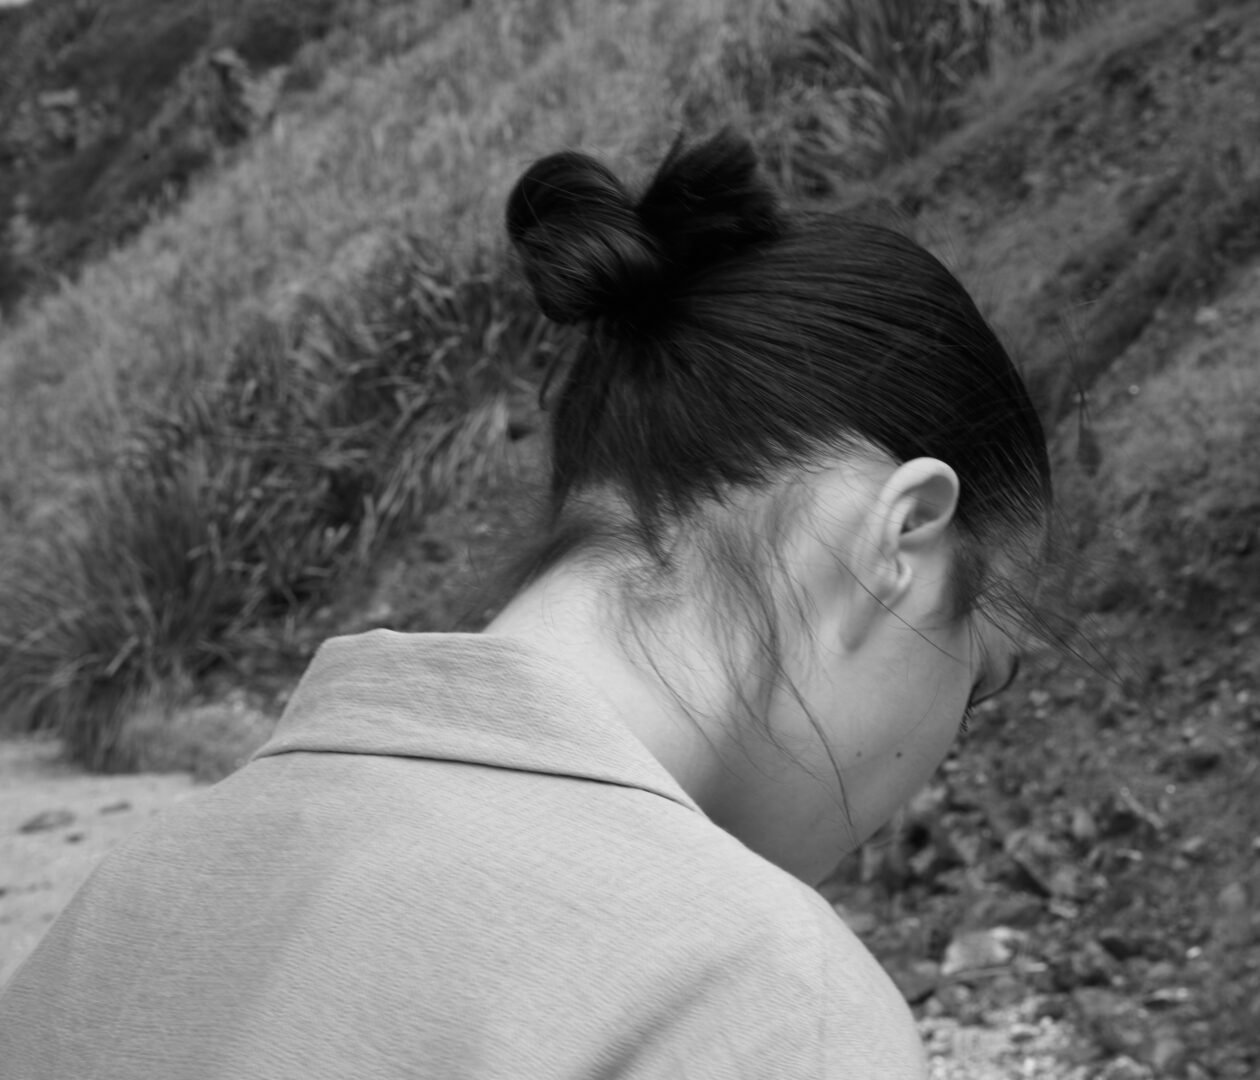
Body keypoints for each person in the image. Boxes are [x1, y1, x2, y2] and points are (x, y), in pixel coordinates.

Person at [0, 130, 1049, 1078]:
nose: (922, 774)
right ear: (899, 538)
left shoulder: (132, 896)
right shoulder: (763, 1000)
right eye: (975, 688)